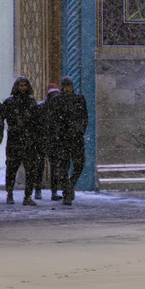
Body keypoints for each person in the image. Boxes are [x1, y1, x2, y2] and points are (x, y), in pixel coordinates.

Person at [48, 76, 88, 206]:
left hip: (76, 138)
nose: (68, 88)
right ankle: (67, 192)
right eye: (66, 86)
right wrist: (58, 134)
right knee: (63, 167)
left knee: (79, 164)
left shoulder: (79, 99)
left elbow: (84, 117)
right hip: (62, 139)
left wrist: (80, 130)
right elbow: (52, 119)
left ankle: (70, 185)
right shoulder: (56, 100)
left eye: (70, 85)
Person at [1, 76, 39, 206]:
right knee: (11, 168)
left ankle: (28, 196)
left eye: (25, 85)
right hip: (15, 141)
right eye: (21, 85)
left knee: (31, 170)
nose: (23, 88)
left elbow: (36, 121)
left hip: (29, 142)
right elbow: (1, 119)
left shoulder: (31, 102)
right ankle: (9, 193)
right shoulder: (9, 102)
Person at [33, 83, 62, 201]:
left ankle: (54, 191)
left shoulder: (60, 108)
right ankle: (38, 190)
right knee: (39, 166)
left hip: (54, 140)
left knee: (55, 167)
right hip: (41, 139)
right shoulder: (40, 107)